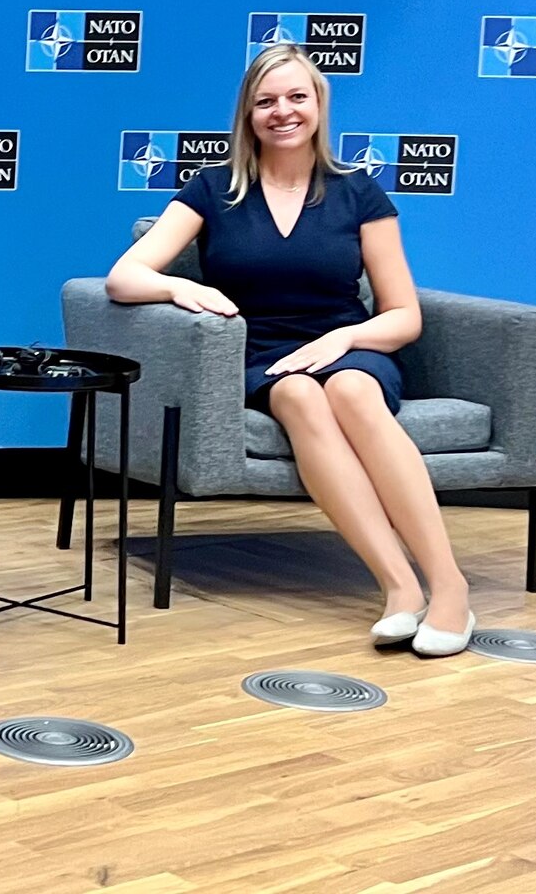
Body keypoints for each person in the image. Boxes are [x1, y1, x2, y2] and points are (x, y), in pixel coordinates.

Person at [105, 44, 475, 656]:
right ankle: (401, 588)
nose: (283, 111)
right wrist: (180, 285)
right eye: (266, 101)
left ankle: (450, 587)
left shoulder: (359, 193)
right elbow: (123, 279)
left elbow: (404, 315)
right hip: (266, 355)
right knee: (301, 394)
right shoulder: (213, 189)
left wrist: (347, 338)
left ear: (319, 105)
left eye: (297, 97)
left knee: (351, 388)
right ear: (248, 114)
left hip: (350, 342)